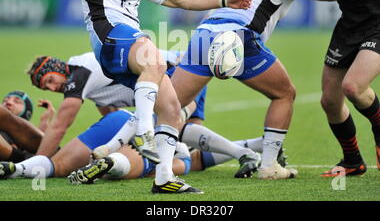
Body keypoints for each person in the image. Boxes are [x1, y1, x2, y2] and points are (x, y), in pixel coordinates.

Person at [55, 0, 251, 194]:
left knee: (172, 110)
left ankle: (164, 178)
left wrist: (223, 0)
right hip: (111, 41)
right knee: (154, 58)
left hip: (128, 50)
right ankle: (144, 131)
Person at [170, 0, 380, 180]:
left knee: (169, 105)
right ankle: (269, 165)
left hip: (205, 34)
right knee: (284, 94)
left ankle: (144, 149)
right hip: (237, 36)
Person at [227, 0, 380, 176]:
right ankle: (353, 161)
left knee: (353, 88)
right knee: (329, 101)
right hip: (349, 23)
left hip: (378, 21)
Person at [28, 51, 261, 179]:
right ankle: (261, 146)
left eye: (49, 80)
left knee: (173, 131)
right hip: (182, 71)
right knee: (188, 156)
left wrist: (37, 163)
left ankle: (247, 152)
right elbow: (114, 116)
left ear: (58, 68)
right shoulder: (88, 81)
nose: (51, 88)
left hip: (178, 72)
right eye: (44, 88)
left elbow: (60, 126)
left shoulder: (79, 74)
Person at [0, 108, 274, 185]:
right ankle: (114, 165)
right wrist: (264, 146)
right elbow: (204, 152)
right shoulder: (189, 158)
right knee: (168, 166)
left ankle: (18, 170)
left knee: (58, 165)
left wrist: (259, 146)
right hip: (157, 132)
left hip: (122, 117)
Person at [0, 91, 51, 163]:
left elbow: (41, 143)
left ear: (27, 112)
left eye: (17, 102)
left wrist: (45, 120)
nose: (8, 103)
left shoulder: (24, 140)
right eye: (5, 100)